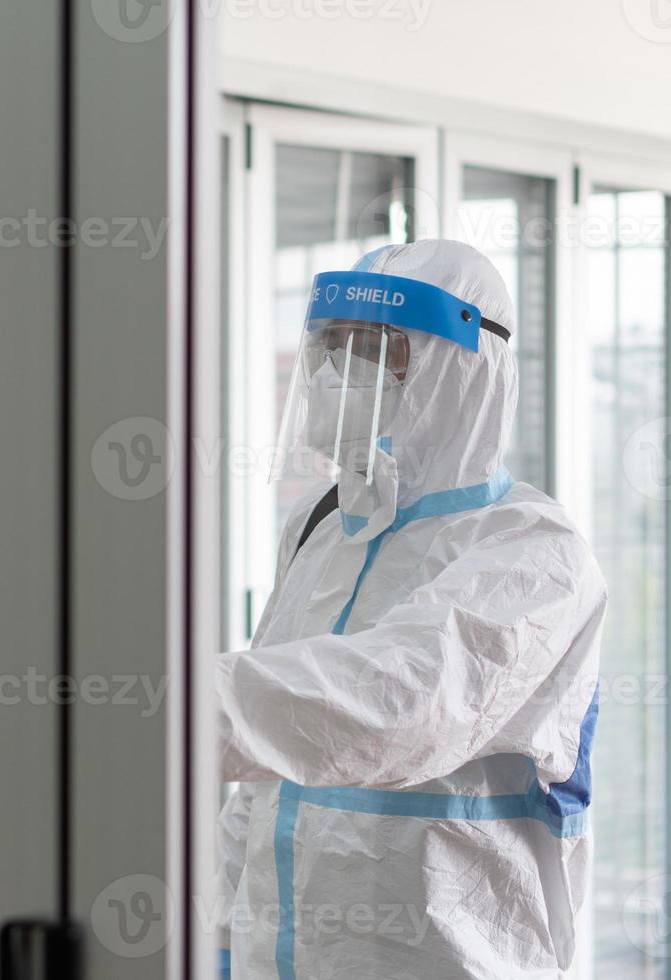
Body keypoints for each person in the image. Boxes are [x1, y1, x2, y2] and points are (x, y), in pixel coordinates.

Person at [215, 240, 606, 979]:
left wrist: (180, 702)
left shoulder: (531, 549)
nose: (340, 372)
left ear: (465, 369)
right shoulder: (321, 523)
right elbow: (270, 763)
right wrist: (223, 930)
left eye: (375, 349)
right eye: (330, 346)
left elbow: (402, 705)